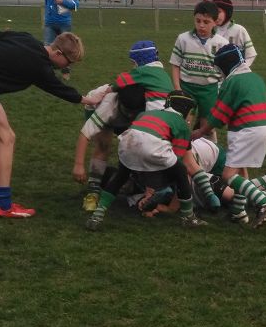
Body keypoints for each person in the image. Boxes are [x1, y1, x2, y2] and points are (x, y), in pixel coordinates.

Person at [0, 30, 102, 218]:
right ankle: (3, 205)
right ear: (58, 53)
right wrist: (89, 100)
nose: (68, 67)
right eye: (69, 63)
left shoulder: (24, 37)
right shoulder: (40, 66)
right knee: (6, 138)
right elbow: (58, 88)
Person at [85, 90, 208, 230]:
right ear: (186, 110)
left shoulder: (148, 113)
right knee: (181, 171)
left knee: (121, 176)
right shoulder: (181, 124)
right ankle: (188, 217)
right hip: (151, 147)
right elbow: (178, 157)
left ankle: (97, 215)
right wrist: (156, 184)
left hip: (127, 142)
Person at [74, 40, 174, 212]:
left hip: (132, 117)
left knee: (134, 147)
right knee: (103, 146)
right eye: (128, 112)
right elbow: (84, 135)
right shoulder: (109, 105)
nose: (130, 115)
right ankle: (93, 191)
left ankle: (135, 182)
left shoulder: (146, 101)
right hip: (97, 105)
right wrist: (78, 165)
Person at [191, 44, 266, 227]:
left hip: (247, 130)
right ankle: (239, 212)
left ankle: (264, 202)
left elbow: (218, 116)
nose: (220, 73)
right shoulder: (256, 78)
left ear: (225, 65)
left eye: (219, 68)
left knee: (228, 175)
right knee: (240, 171)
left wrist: (199, 132)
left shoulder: (231, 82)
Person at [169, 1, 229, 137]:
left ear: (215, 22)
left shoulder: (222, 43)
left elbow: (226, 71)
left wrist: (221, 89)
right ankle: (183, 147)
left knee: (207, 128)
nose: (201, 25)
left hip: (209, 90)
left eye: (206, 22)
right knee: (184, 125)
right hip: (186, 87)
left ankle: (209, 149)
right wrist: (177, 88)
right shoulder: (183, 39)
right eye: (198, 21)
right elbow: (175, 64)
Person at [43, 0, 79, 80]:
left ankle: (65, 71)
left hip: (64, 23)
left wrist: (63, 1)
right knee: (47, 47)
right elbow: (47, 4)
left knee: (66, 48)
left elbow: (76, 6)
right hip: (50, 23)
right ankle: (48, 72)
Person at [212, 0, 259, 67]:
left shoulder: (239, 30)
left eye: (219, 12)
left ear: (227, 13)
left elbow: (251, 54)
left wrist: (242, 69)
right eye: (213, 12)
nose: (215, 15)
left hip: (236, 72)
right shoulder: (211, 31)